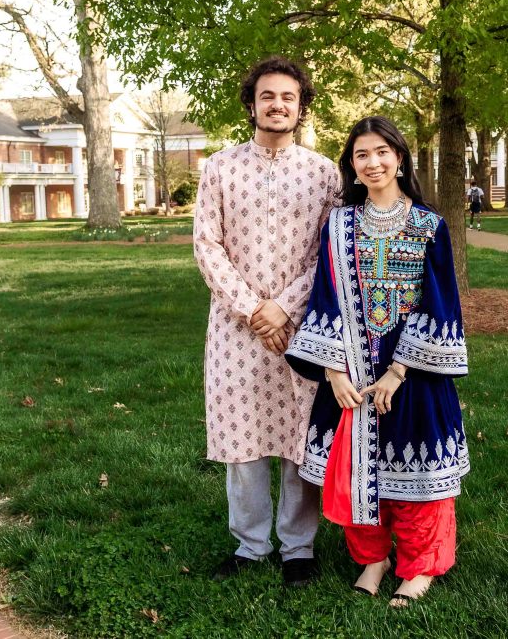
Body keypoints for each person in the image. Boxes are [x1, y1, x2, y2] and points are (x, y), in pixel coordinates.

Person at [286, 116, 469, 607]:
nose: (373, 163)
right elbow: (324, 297)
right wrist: (333, 370)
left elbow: (440, 302)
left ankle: (419, 568)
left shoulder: (430, 225)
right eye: (361, 155)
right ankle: (373, 559)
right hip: (349, 370)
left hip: (413, 372)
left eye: (382, 152)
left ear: (401, 158)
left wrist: (398, 370)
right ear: (351, 163)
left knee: (418, 480)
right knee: (354, 469)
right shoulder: (339, 224)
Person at [193, 56, 338, 586]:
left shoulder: (323, 173)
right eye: (268, 96)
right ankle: (250, 544)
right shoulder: (219, 168)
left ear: (301, 107)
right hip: (236, 327)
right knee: (243, 435)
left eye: (289, 97)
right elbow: (207, 245)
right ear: (251, 104)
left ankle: (298, 546)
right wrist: (254, 309)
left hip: (302, 325)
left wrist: (285, 307)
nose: (278, 105)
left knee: (300, 436)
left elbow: (330, 255)